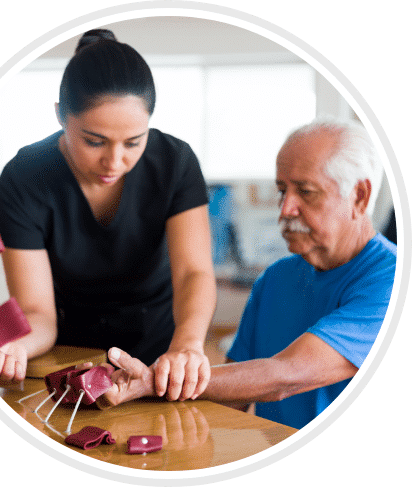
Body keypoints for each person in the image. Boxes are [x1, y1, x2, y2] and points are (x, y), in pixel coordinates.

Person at [92, 118, 397, 430]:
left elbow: (286, 376)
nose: (285, 208)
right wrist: (151, 395)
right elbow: (232, 397)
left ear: (359, 197)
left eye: (306, 192)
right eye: (282, 190)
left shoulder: (393, 280)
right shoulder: (275, 279)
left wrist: (154, 380)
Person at [0, 29, 216, 401]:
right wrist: (15, 346)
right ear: (61, 115)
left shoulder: (175, 162)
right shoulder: (24, 177)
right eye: (94, 141)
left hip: (162, 349)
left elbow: (194, 272)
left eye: (133, 142)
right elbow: (37, 311)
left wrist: (188, 345)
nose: (114, 161)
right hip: (68, 354)